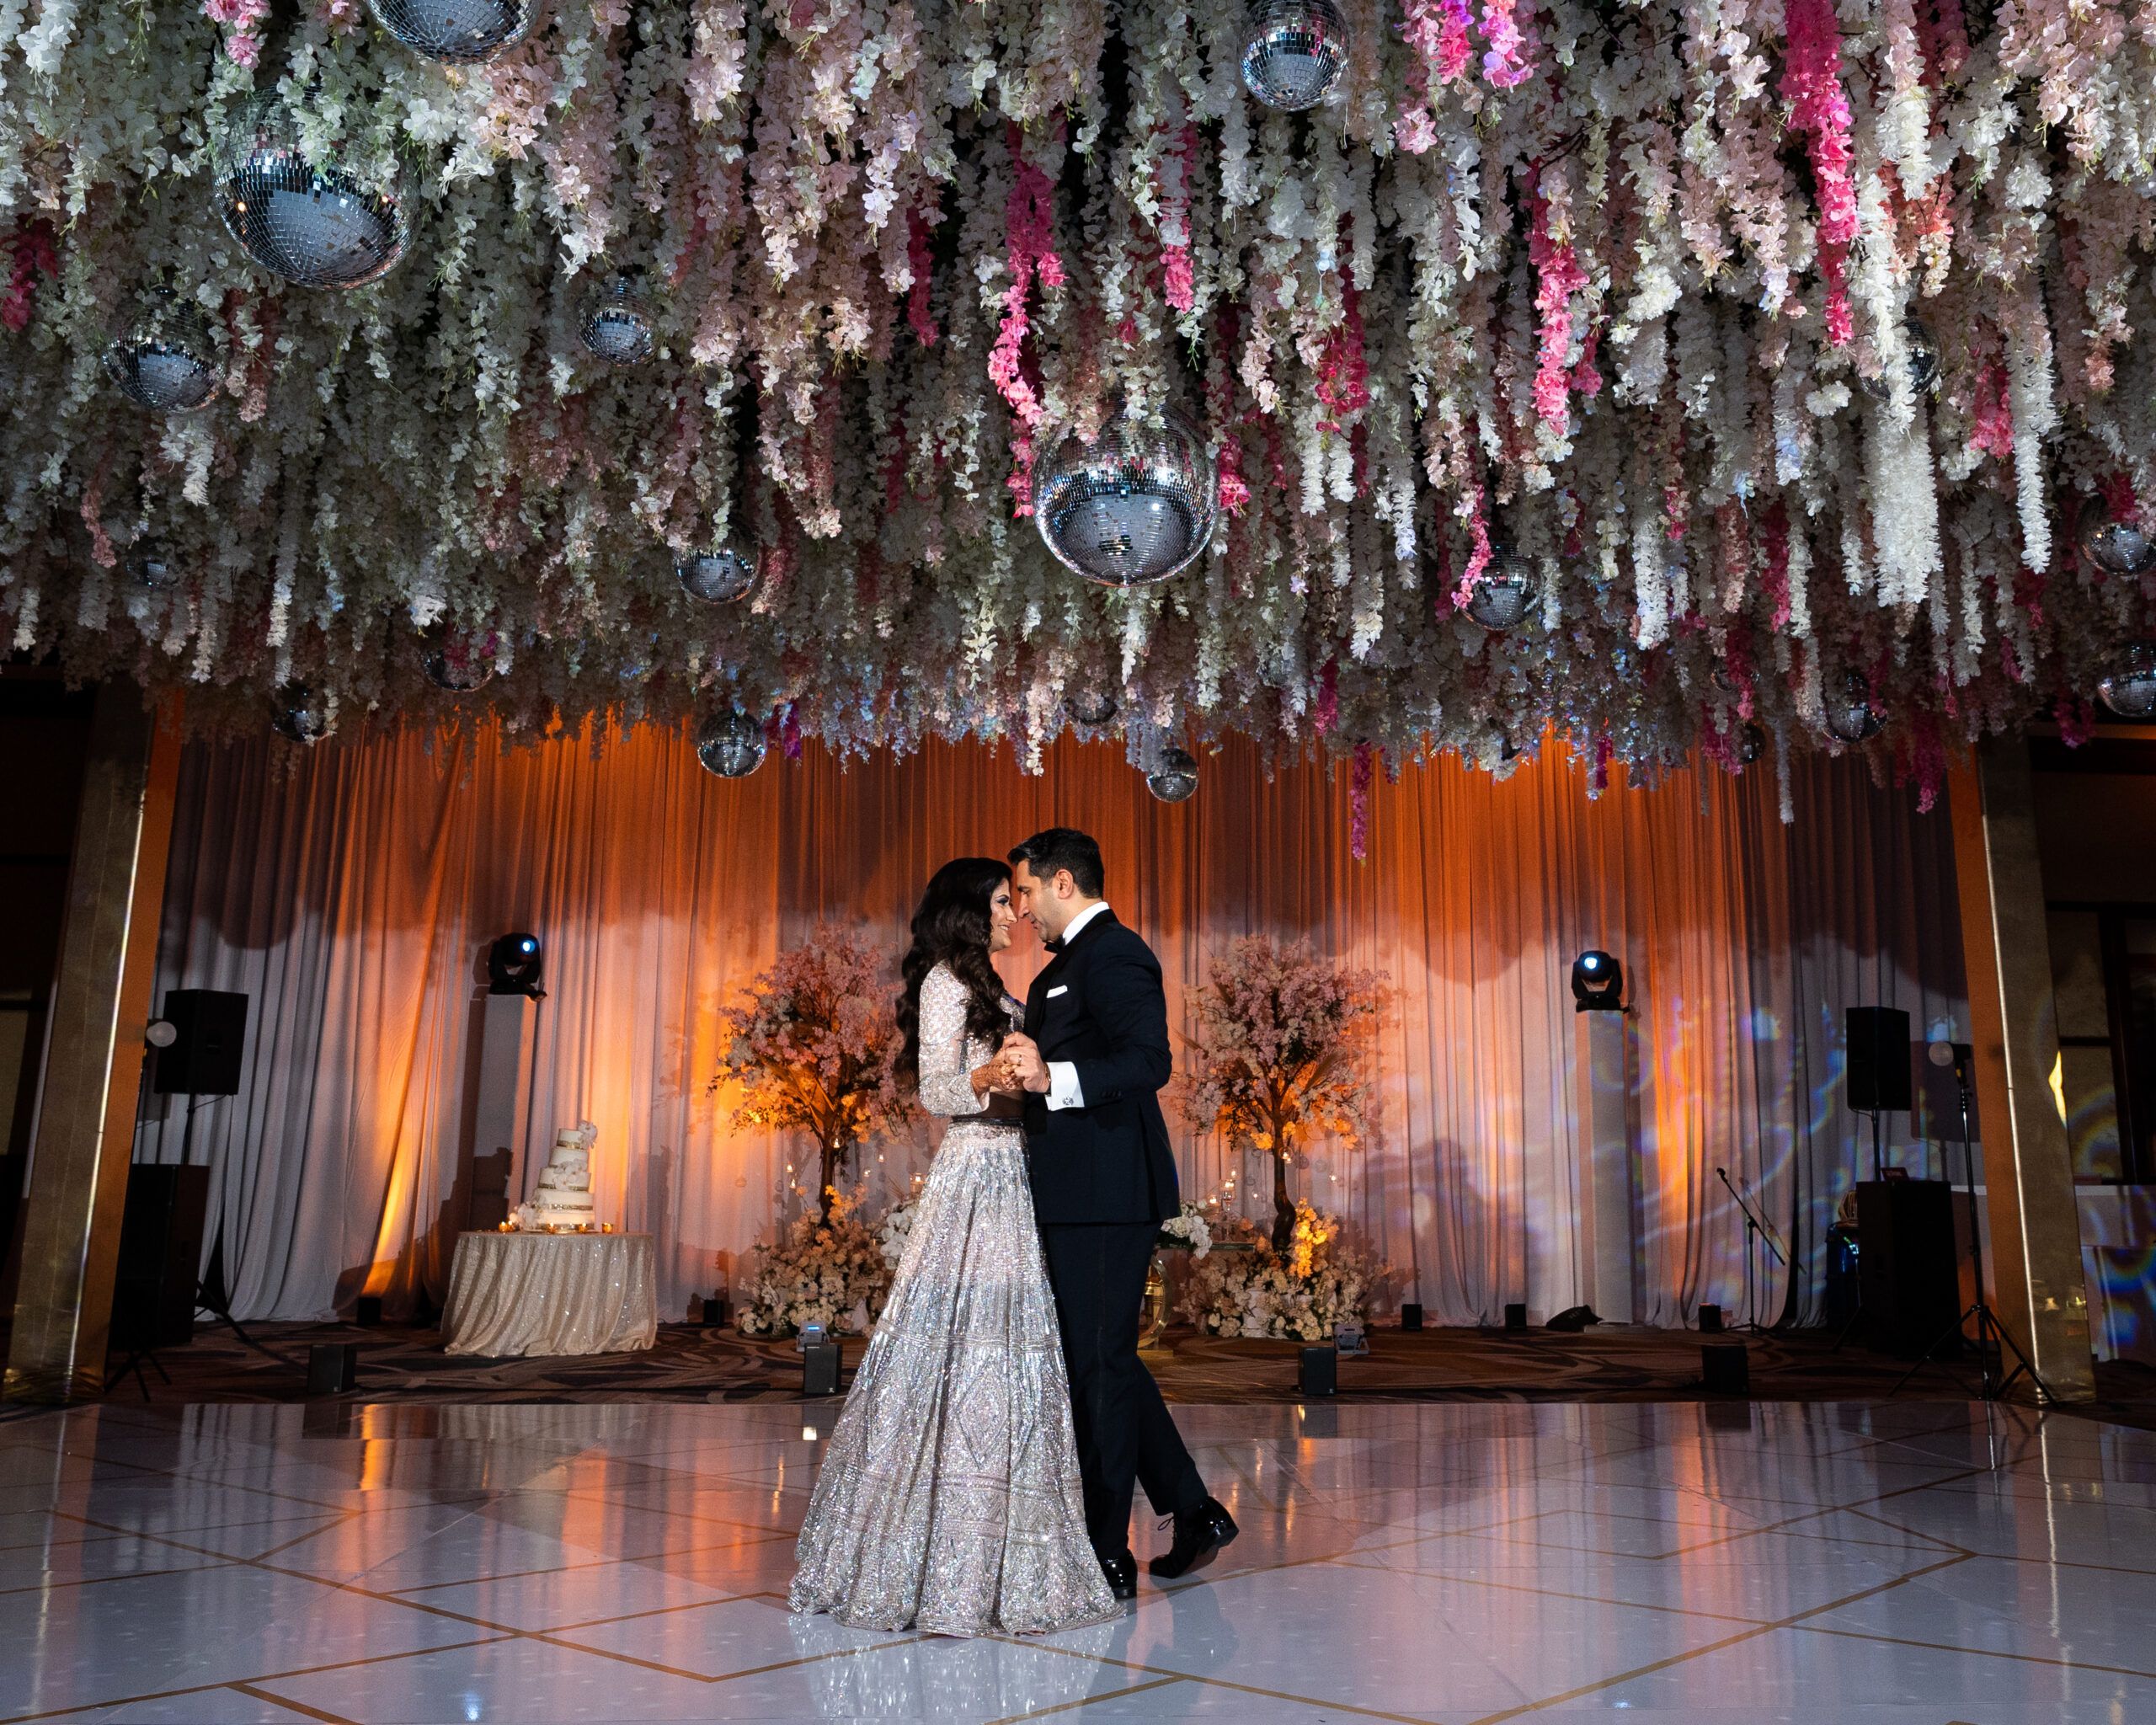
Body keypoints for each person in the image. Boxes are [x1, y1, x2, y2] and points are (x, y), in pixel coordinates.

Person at [787, 858, 1115, 1634]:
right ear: (969, 911)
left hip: (1013, 1165)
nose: (1014, 914)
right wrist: (991, 1071)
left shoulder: (993, 987)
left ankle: (1007, 1547)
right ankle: (932, 1554)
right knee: (959, 1346)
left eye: (1016, 899)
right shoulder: (944, 982)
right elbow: (936, 1088)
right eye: (1002, 901)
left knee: (1007, 1349)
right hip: (976, 1168)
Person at [1000, 827, 1237, 1598]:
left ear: (1063, 882)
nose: (1021, 908)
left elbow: (1147, 1060)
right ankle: (1193, 1511)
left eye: (1026, 891)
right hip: (1076, 1193)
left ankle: (1104, 1554)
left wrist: (1053, 1078)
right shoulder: (1063, 966)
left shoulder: (1116, 953)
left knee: (1097, 1367)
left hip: (1106, 1195)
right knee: (1101, 1360)